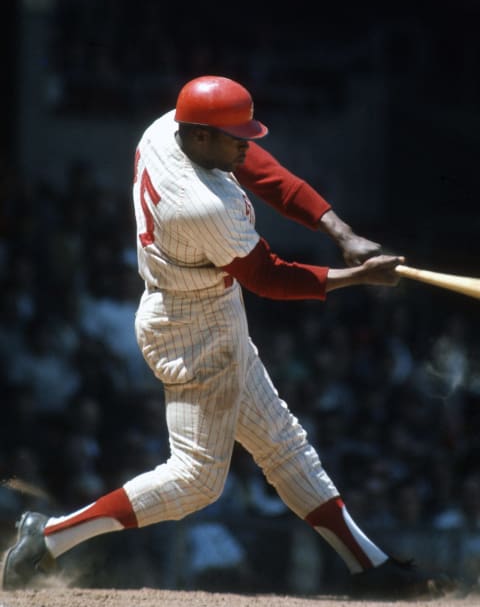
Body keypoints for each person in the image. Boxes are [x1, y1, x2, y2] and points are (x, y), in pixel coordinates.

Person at [1, 76, 454, 598]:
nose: (246, 143)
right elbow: (269, 277)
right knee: (195, 480)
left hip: (204, 309)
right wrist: (360, 279)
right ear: (199, 137)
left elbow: (261, 169)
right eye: (234, 136)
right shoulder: (203, 204)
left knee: (285, 446)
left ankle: (371, 568)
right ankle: (49, 536)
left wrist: (341, 233)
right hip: (191, 328)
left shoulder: (166, 128)